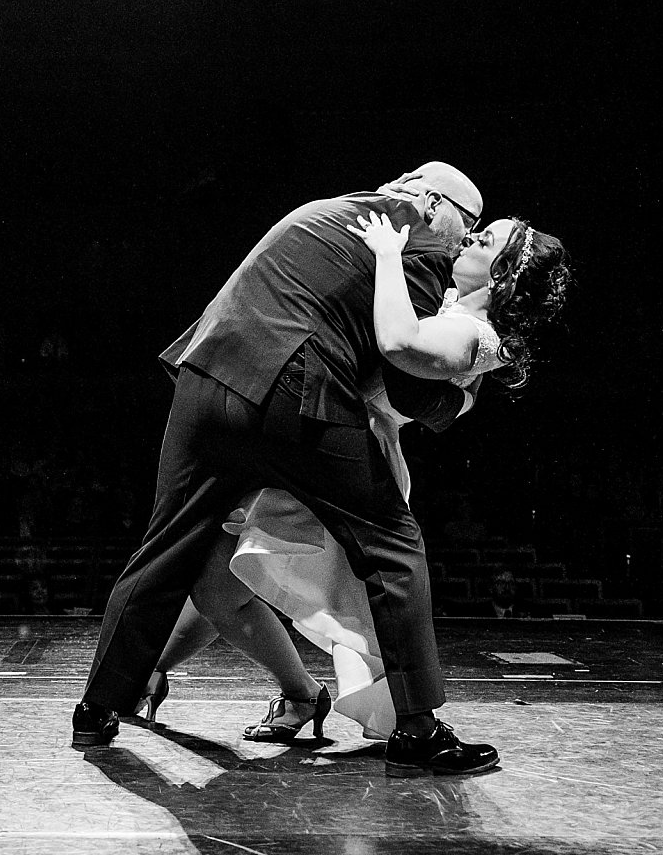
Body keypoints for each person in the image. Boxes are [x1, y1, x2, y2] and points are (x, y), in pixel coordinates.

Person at [73, 164, 496, 778]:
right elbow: (404, 368)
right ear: (434, 204)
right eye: (469, 223)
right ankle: (418, 728)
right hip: (294, 390)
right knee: (393, 548)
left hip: (206, 374)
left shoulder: (330, 207)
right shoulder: (414, 239)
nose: (464, 240)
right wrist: (454, 401)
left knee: (166, 547)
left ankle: (98, 706)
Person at [138, 210, 571, 742]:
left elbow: (396, 341)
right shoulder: (449, 304)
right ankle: (282, 691)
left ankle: (400, 718)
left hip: (347, 463)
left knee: (233, 585)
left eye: (487, 240)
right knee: (218, 582)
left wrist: (387, 255)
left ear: (501, 275)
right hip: (316, 445)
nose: (471, 238)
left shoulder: (474, 336)